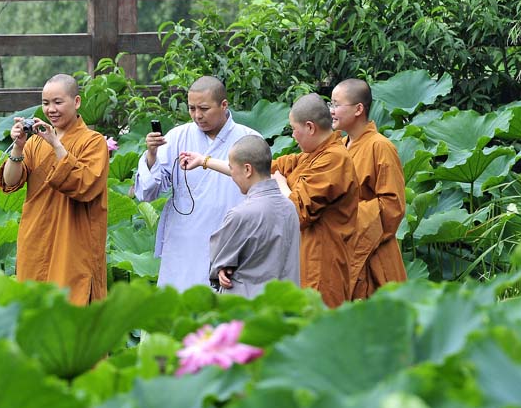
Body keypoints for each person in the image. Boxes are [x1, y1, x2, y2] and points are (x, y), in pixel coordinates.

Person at [133, 76, 260, 291]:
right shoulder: (176, 137)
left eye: (204, 108)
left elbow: (261, 189)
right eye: (192, 108)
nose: (197, 116)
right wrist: (152, 154)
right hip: (184, 240)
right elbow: (149, 191)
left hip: (231, 239)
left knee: (227, 315)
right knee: (180, 309)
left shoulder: (249, 140)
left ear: (224, 105)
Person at [0, 73, 109, 305]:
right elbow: (10, 181)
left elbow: (86, 185)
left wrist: (56, 145)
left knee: (72, 311)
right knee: (33, 312)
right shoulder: (35, 142)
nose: (51, 110)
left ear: (76, 102)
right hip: (35, 238)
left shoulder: (93, 141)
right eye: (46, 103)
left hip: (73, 241)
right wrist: (18, 148)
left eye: (58, 102)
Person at [180, 135, 300, 298]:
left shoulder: (241, 214)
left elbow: (219, 259)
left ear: (248, 170)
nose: (232, 174)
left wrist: (221, 269)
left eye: (232, 168)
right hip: (284, 305)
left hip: (247, 308)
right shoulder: (290, 207)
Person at [271, 93, 359, 308]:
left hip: (322, 263)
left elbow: (295, 212)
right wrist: (205, 162)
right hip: (302, 256)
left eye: (294, 128)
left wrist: (281, 183)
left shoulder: (333, 159)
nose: (293, 136)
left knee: (320, 325)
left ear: (310, 127)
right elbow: (257, 170)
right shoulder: (309, 156)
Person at [330, 78, 408, 299]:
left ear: (358, 109)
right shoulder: (338, 146)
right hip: (343, 252)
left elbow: (392, 207)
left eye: (336, 104)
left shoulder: (380, 147)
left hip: (374, 254)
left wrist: (343, 217)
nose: (332, 111)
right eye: (331, 104)